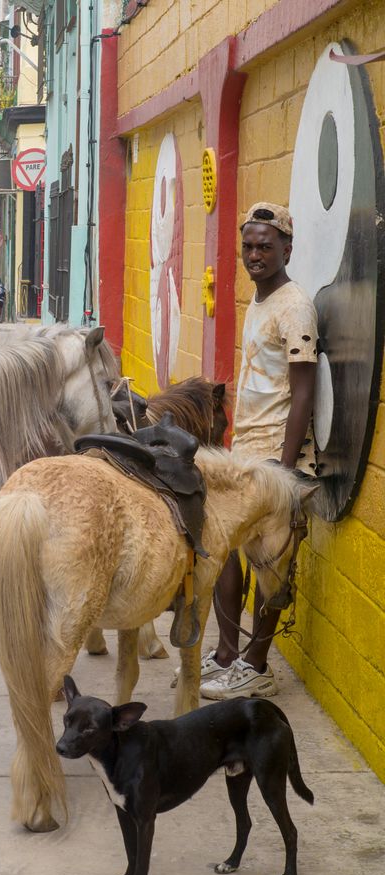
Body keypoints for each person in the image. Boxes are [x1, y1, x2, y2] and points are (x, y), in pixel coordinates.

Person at [199, 202, 317, 700]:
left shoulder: (294, 306)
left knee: (271, 567)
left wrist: (285, 475)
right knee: (226, 548)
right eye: (248, 246)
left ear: (287, 249)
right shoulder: (261, 302)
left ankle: (257, 663)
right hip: (246, 451)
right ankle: (229, 654)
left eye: (265, 247)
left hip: (275, 459)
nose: (254, 255)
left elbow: (304, 391)